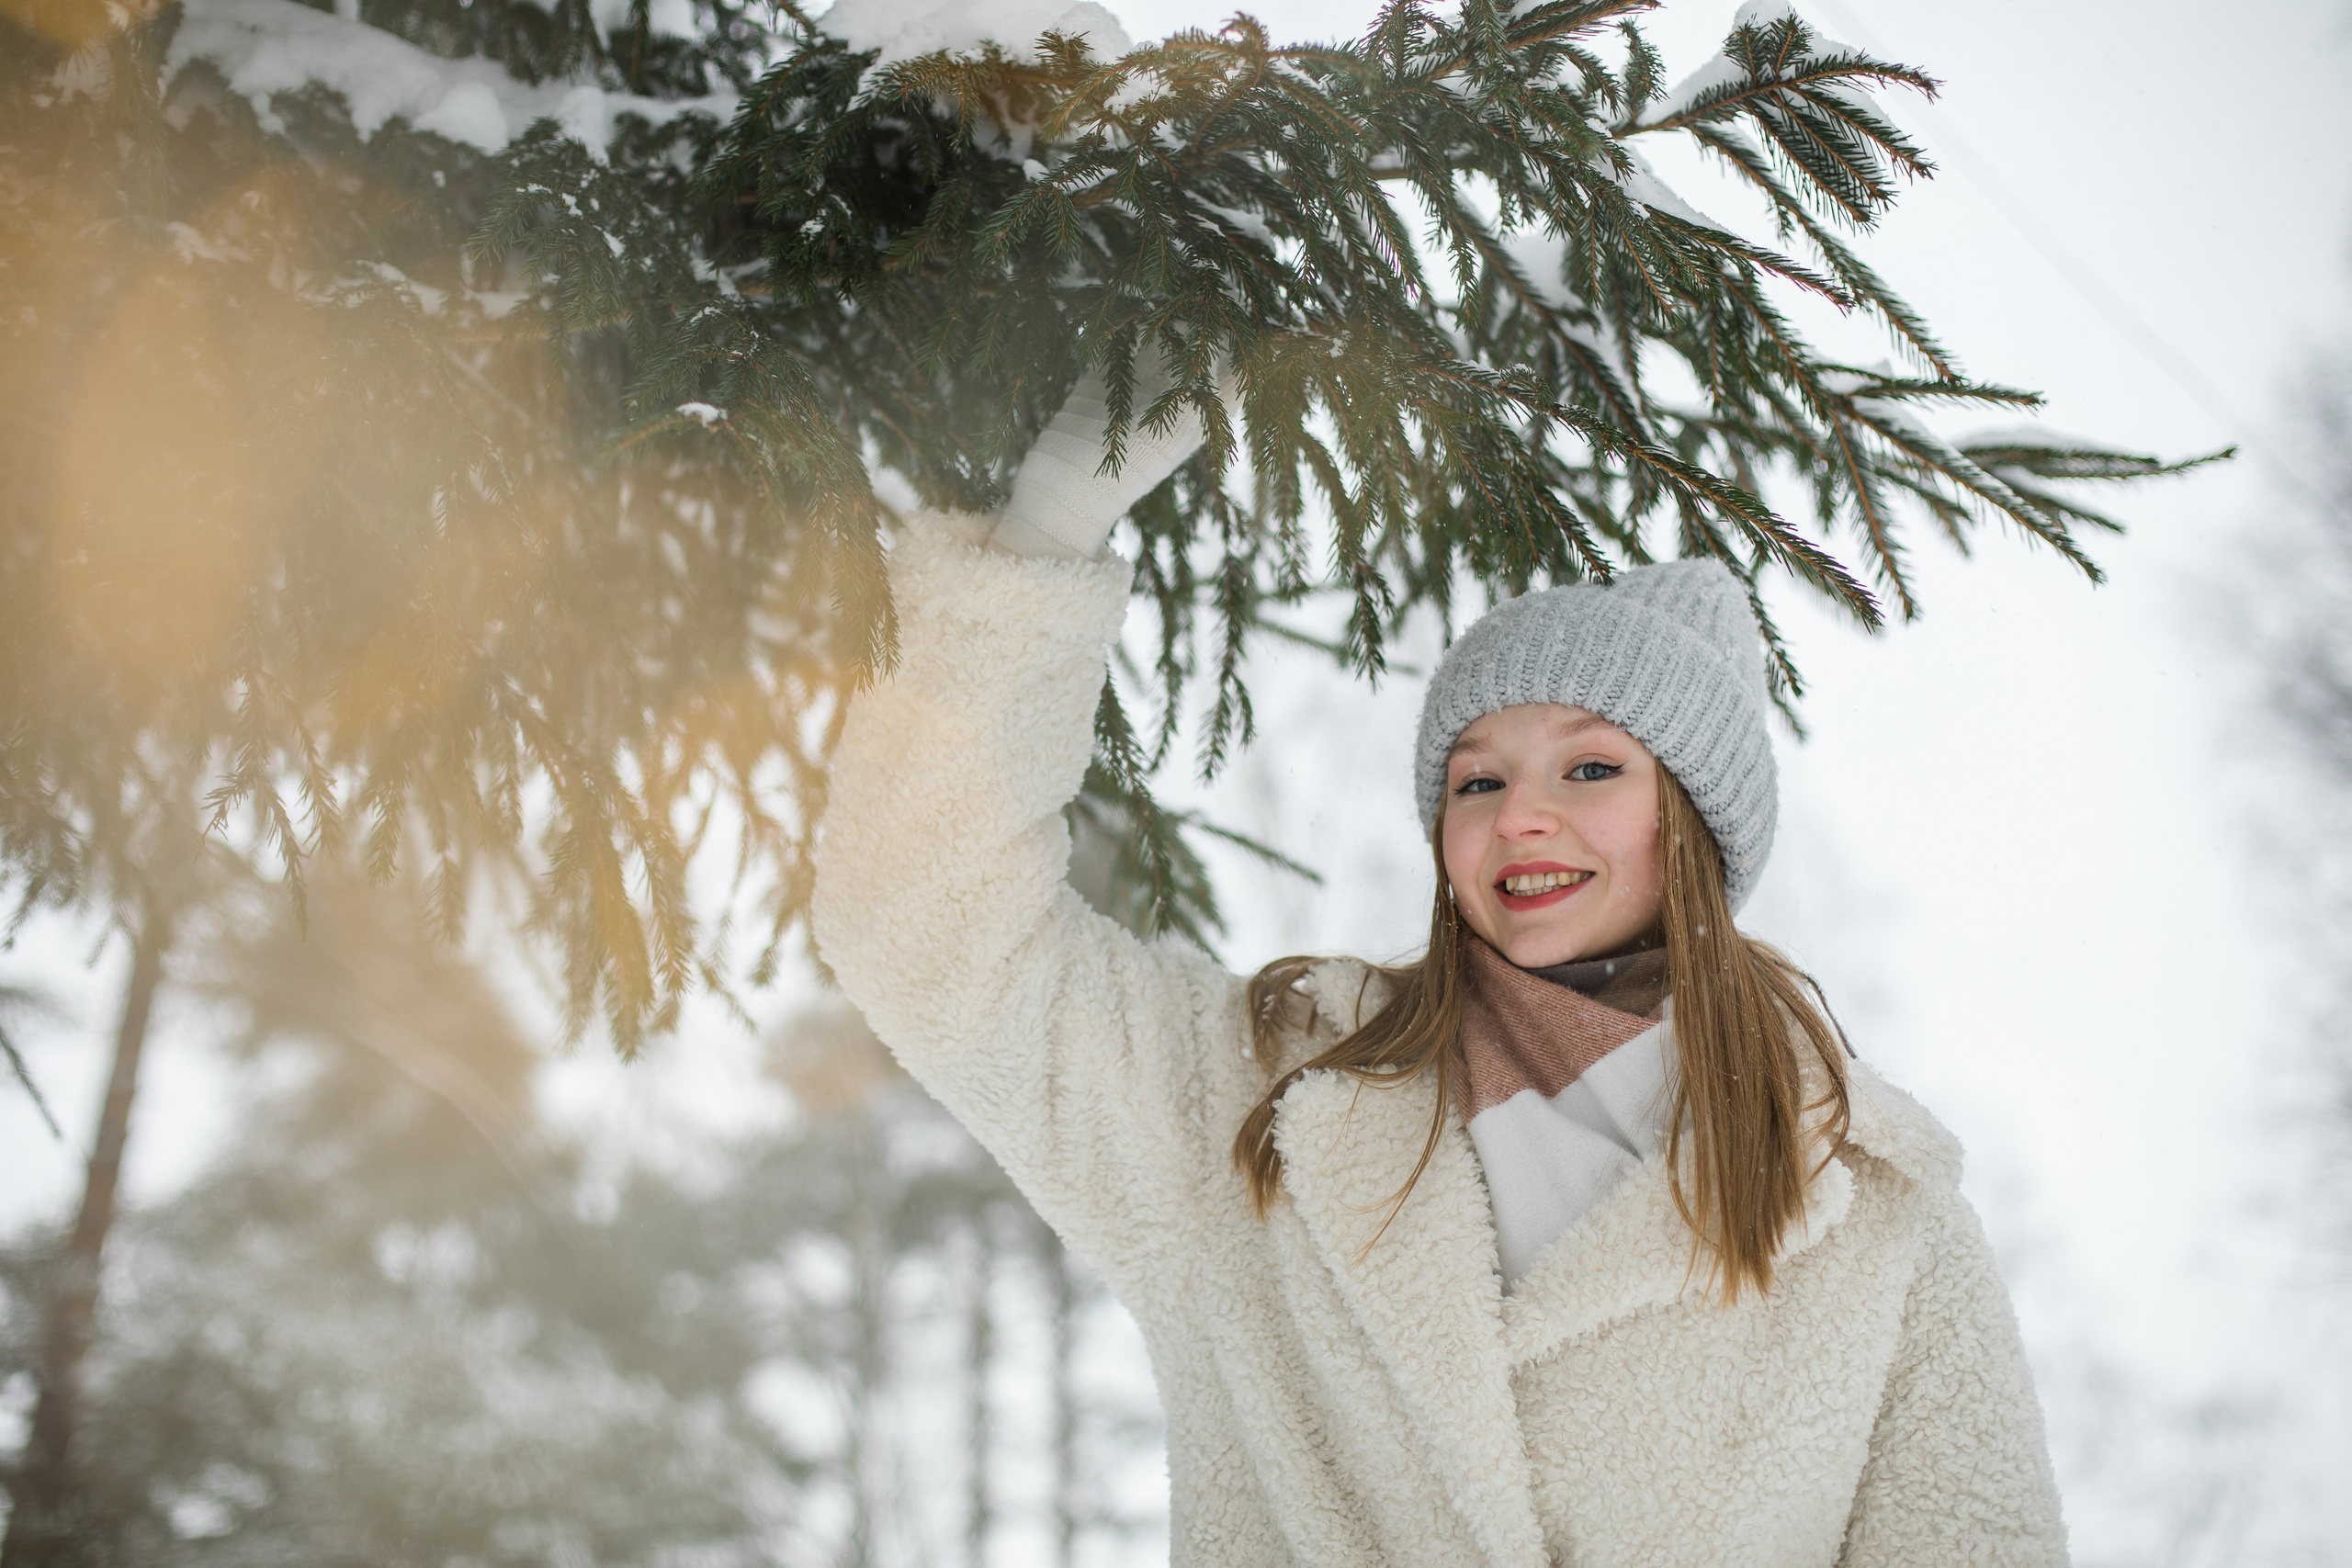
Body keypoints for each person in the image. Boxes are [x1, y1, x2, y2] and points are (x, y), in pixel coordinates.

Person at [808, 361, 2068, 1567]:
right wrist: (1042, 543)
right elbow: (927, 935)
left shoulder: (1879, 1226)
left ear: (1692, 824)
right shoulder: (1260, 1114)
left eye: (1590, 768)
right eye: (1478, 779)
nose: (1522, 814)